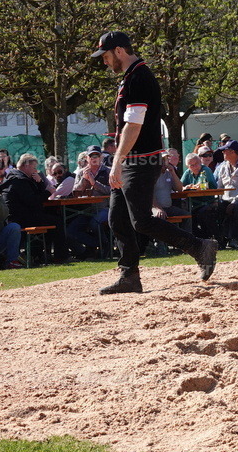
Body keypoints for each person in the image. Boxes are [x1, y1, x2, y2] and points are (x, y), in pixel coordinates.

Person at [91, 31, 218, 293]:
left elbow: (133, 125)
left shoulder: (139, 77)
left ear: (119, 51)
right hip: (132, 160)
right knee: (118, 218)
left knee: (141, 221)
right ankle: (129, 276)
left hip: (140, 161)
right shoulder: (131, 76)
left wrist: (117, 161)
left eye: (105, 55)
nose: (104, 61)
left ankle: (199, 247)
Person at [0, 153, 70, 264]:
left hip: (20, 216)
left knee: (51, 218)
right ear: (26, 166)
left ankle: (40, 254)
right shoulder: (19, 180)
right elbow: (33, 201)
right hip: (21, 218)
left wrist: (39, 182)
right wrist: (47, 192)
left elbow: (35, 197)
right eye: (34, 167)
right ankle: (60, 256)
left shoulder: (14, 178)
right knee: (57, 221)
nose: (35, 170)